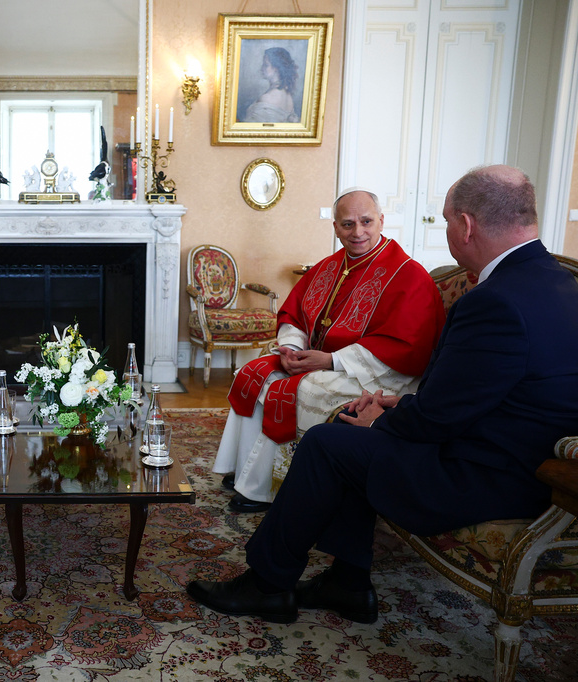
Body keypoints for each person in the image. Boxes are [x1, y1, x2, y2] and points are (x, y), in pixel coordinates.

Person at [187, 165, 578, 625]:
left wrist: (382, 418)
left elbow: (441, 417)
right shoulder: (560, 285)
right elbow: (477, 396)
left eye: (448, 221)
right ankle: (348, 584)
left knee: (329, 442)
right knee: (351, 434)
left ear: (466, 225)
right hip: (520, 461)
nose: (448, 230)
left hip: (487, 477)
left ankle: (267, 585)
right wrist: (394, 406)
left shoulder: (494, 301)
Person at [214, 189, 445, 513]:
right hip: (319, 361)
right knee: (253, 371)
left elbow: (407, 346)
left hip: (379, 375)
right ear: (335, 227)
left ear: (381, 220)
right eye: (348, 224)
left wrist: (332, 360)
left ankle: (263, 487)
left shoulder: (409, 275)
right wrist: (292, 349)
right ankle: (243, 470)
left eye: (366, 222)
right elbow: (295, 314)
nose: (358, 232)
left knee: (290, 387)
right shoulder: (329, 266)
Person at [243, 47, 300, 123]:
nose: (261, 68)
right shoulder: (288, 95)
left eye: (266, 65)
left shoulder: (267, 98)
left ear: (276, 68)